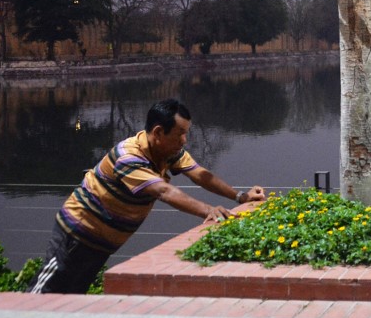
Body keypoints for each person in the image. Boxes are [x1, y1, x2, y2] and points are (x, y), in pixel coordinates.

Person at [28, 98, 266, 294]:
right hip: (77, 234)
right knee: (43, 294)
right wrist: (208, 210)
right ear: (158, 132)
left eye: (187, 133)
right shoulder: (129, 157)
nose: (184, 140)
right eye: (180, 133)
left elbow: (201, 175)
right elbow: (163, 191)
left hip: (101, 243)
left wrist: (240, 197)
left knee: (72, 297)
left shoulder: (167, 151)